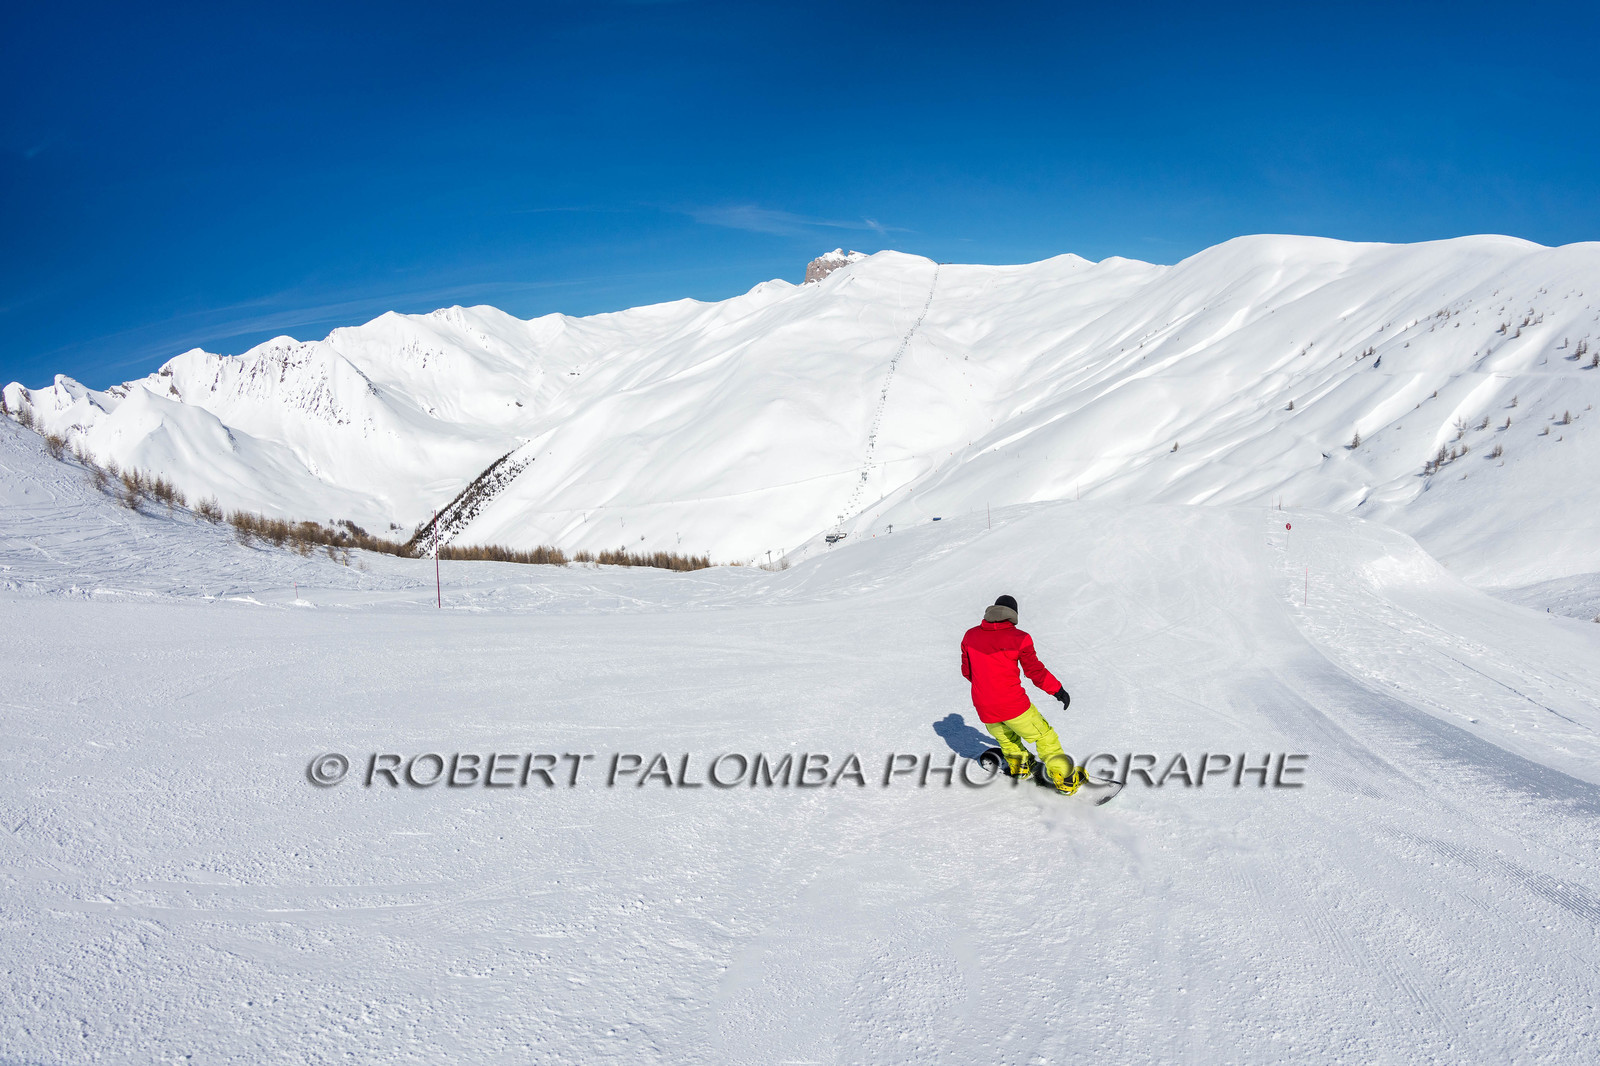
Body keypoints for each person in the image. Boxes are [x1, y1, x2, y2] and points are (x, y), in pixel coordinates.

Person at [960, 594, 1081, 793]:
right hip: (1013, 705)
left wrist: (988, 686)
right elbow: (1035, 671)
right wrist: (1057, 690)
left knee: (1007, 739)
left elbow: (967, 672)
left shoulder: (970, 636)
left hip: (983, 705)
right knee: (1044, 737)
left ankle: (1020, 766)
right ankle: (1065, 779)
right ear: (1013, 615)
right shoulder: (1019, 638)